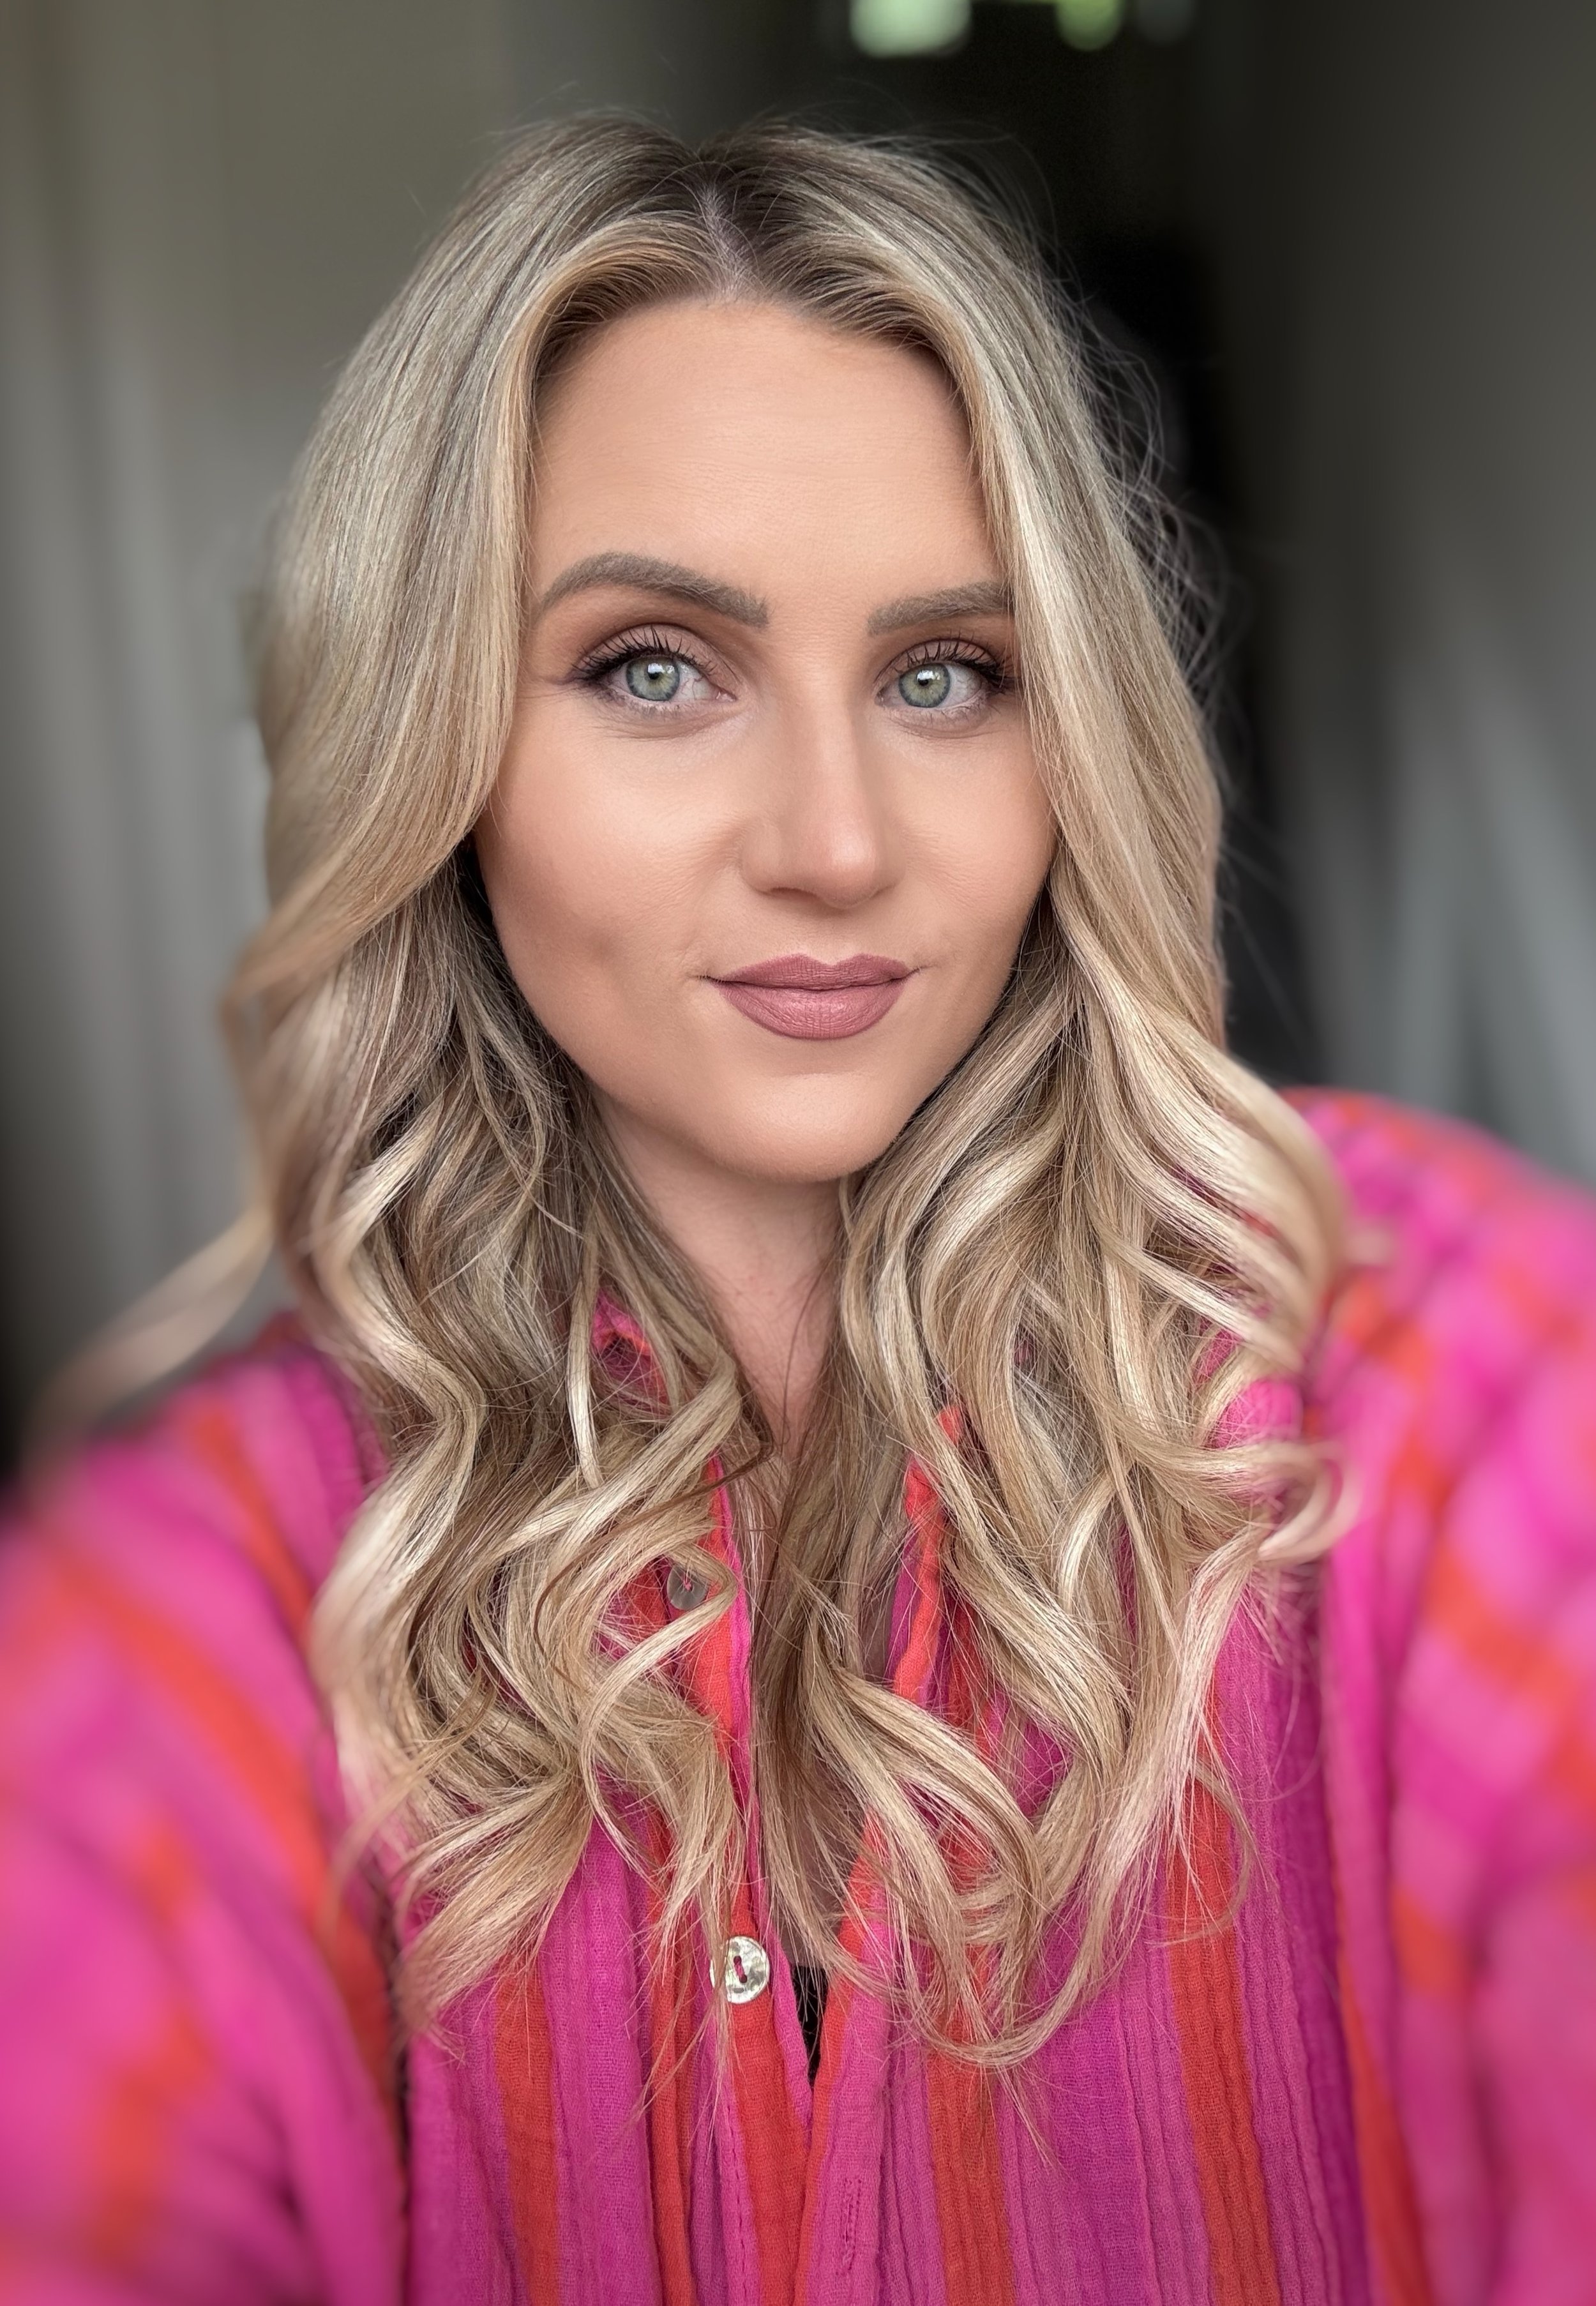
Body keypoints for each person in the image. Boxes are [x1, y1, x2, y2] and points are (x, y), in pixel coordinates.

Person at [1, 117, 1593, 2306]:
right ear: (434, 746)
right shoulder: (217, 1594)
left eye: (945, 673)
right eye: (655, 665)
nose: (837, 842)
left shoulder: (1442, 1370)